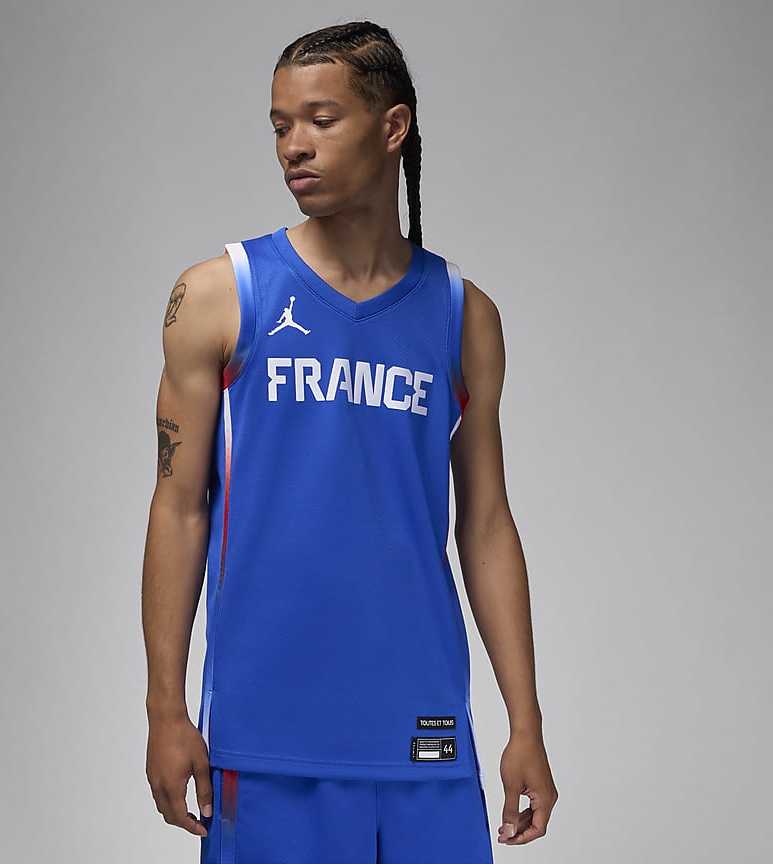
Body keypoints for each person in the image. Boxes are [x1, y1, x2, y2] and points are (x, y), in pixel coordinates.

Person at [142, 20, 557, 863]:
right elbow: (179, 508)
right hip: (265, 739)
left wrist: (525, 723)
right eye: (280, 126)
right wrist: (165, 708)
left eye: (321, 120)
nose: (293, 146)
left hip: (423, 735)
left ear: (393, 127)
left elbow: (485, 525)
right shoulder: (222, 296)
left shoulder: (462, 316)